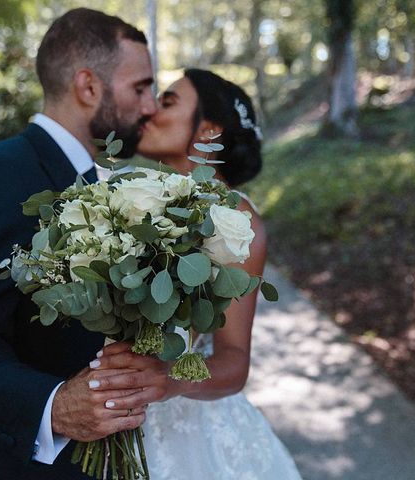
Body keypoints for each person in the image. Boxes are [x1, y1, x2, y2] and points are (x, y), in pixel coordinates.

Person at [0, 9, 165, 480]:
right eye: (141, 87)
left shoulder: (122, 187)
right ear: (88, 86)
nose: (151, 105)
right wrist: (52, 407)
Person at [92, 69, 303, 478]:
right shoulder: (123, 194)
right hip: (104, 417)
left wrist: (167, 378)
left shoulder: (235, 221)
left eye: (167, 102)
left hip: (187, 439)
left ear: (207, 130)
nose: (148, 110)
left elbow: (233, 361)